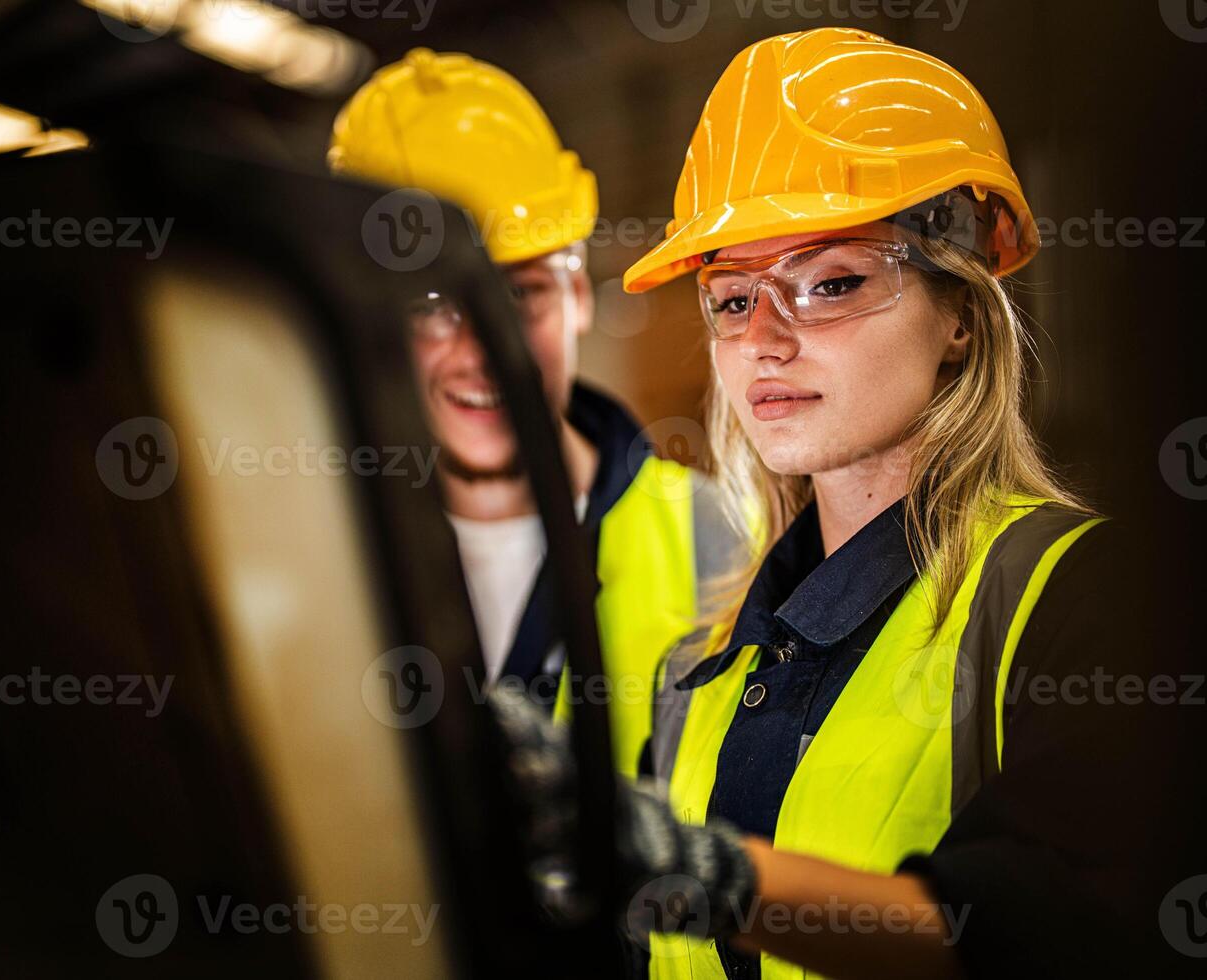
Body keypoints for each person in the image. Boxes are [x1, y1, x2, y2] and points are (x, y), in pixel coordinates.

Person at [491, 26, 1168, 979]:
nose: (763, 339)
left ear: (963, 319)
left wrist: (713, 879)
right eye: (732, 299)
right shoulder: (705, 672)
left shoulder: (1079, 603)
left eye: (832, 283)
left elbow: (1061, 935)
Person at [328, 48, 734, 779]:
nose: (479, 352)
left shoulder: (727, 546)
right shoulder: (303, 551)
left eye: (520, 296)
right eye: (428, 305)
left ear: (580, 295)